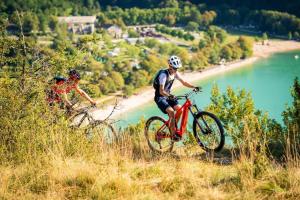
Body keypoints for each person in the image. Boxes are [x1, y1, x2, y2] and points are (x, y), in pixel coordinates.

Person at [153, 55, 200, 141]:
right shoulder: (163, 75)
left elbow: (184, 82)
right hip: (160, 97)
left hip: (168, 96)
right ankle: (172, 134)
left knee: (180, 109)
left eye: (177, 68)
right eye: (174, 68)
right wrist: (169, 96)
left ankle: (173, 127)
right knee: (171, 112)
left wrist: (194, 86)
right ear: (170, 66)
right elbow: (161, 91)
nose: (176, 70)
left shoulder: (175, 73)